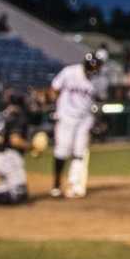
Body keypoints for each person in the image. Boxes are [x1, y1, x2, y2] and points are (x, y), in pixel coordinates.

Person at [47, 51, 106, 198]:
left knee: (80, 152)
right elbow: (54, 88)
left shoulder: (98, 81)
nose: (93, 71)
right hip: (66, 117)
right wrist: (55, 106)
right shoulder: (70, 72)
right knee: (62, 150)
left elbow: (97, 100)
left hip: (85, 119)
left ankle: (75, 185)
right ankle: (56, 185)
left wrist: (97, 118)